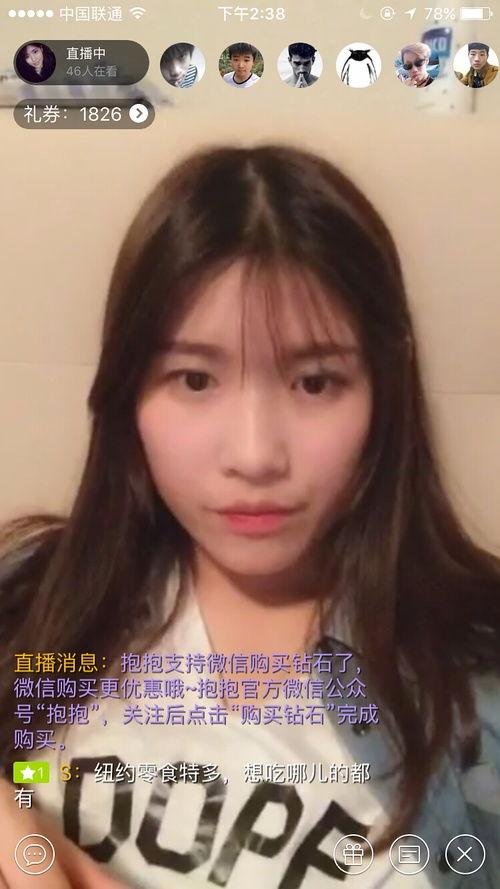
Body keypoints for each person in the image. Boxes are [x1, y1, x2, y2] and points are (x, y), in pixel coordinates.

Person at [0, 144, 499, 888]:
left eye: (315, 381)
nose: (256, 455)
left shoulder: (475, 691)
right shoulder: (37, 597)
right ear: (129, 392)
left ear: (385, 391)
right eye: (194, 379)